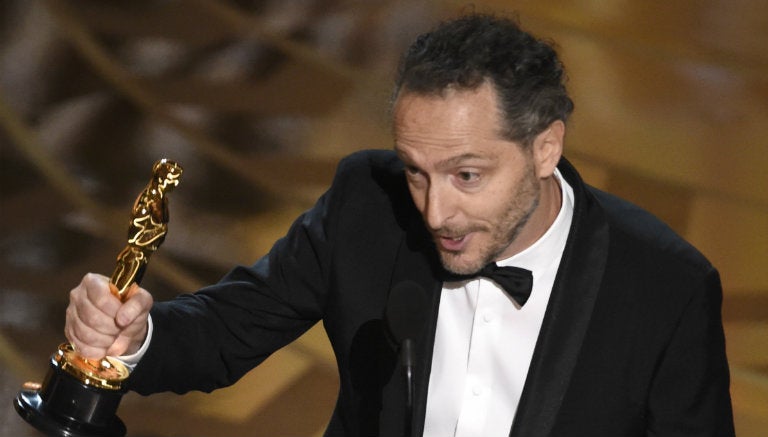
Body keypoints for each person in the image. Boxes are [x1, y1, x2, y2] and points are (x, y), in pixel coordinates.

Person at [65, 14, 735, 437]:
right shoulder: (367, 202)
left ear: (545, 148)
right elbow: (229, 328)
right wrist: (136, 335)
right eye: (417, 170)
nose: (436, 212)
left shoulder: (665, 287)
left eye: (467, 175)